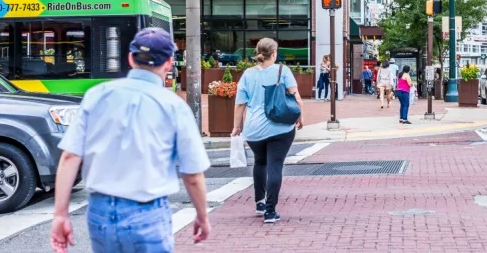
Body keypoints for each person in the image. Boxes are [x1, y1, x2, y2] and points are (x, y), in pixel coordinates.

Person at [50, 28, 211, 252]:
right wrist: (202, 216)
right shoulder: (174, 106)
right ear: (168, 63)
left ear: (130, 58)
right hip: (148, 213)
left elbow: (70, 156)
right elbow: (192, 175)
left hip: (100, 211)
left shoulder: (97, 95)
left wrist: (60, 215)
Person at [231, 38, 304, 224]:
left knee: (260, 162)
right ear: (274, 53)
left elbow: (240, 104)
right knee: (275, 166)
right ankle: (270, 211)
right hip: (279, 127)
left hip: (254, 130)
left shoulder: (247, 74)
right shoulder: (283, 70)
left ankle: (259, 203)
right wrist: (300, 117)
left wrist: (237, 127)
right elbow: (296, 96)